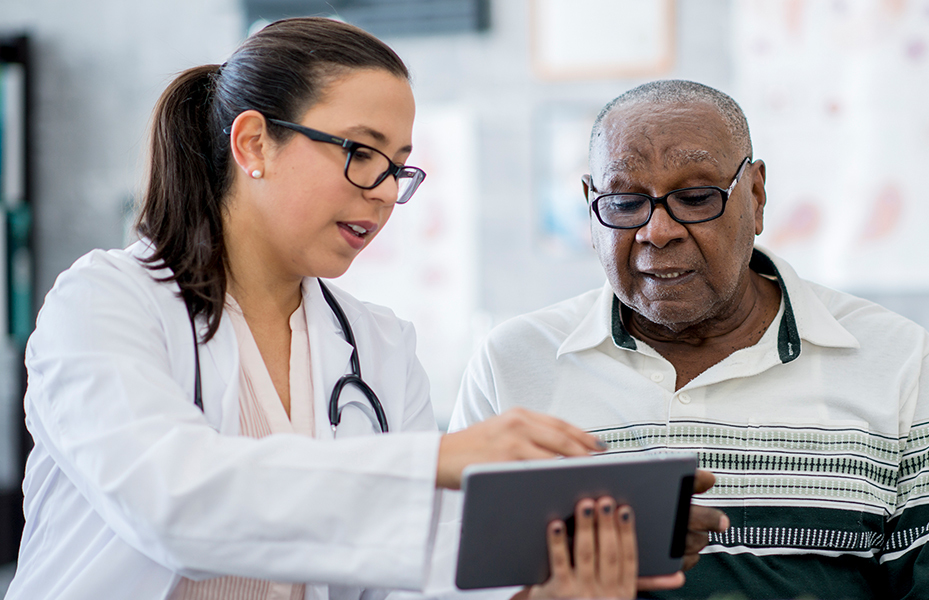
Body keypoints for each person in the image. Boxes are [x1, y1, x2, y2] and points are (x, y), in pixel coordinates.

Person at [7, 18, 678, 600]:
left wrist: (552, 578)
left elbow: (401, 580)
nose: (384, 193)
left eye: (398, 167)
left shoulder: (378, 345)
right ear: (253, 145)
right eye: (361, 152)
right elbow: (171, 503)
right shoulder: (104, 303)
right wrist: (434, 461)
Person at [452, 80, 929, 600]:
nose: (657, 231)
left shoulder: (898, 361)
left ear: (757, 195)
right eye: (624, 203)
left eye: (695, 197)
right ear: (590, 205)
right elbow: (444, 582)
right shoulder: (513, 365)